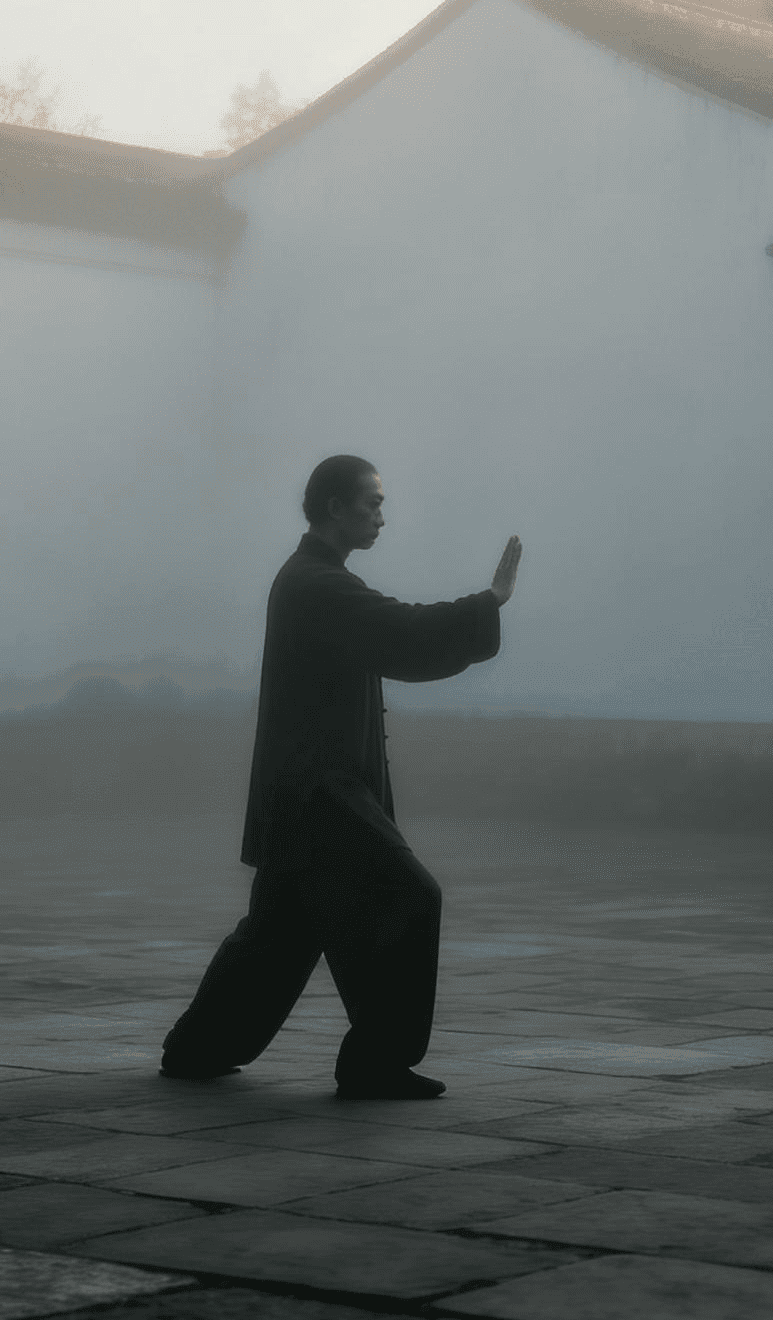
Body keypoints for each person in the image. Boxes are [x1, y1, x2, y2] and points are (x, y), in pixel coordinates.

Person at [161, 454, 521, 1100]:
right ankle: (376, 1062)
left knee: (278, 932)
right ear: (335, 508)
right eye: (371, 503)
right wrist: (487, 603)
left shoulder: (314, 580)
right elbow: (402, 630)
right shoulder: (315, 585)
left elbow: (390, 635)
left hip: (303, 792)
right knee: (411, 897)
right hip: (317, 792)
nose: (382, 515)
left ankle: (196, 1048)